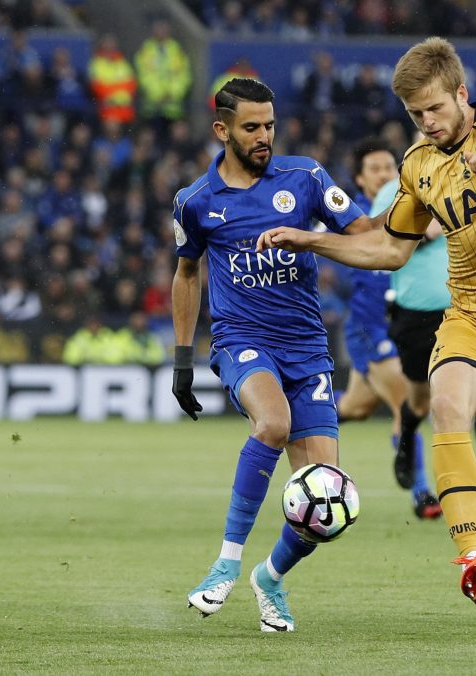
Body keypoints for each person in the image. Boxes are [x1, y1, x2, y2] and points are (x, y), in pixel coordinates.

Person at [258, 37, 476, 610]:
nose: (427, 122)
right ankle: (473, 557)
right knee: (445, 404)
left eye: (435, 109)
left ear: (461, 94)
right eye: (415, 114)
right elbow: (390, 249)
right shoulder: (418, 165)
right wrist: (310, 241)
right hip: (475, 319)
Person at [171, 78, 368, 632]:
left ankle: (270, 579)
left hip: (307, 347)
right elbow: (187, 274)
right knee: (274, 424)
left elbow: (365, 235)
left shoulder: (306, 178)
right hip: (243, 339)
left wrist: (318, 237)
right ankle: (226, 564)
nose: (264, 136)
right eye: (252, 127)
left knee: (324, 503)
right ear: (222, 130)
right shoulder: (196, 201)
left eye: (270, 126)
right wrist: (183, 360)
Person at [378, 174, 476, 516]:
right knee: (420, 401)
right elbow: (383, 241)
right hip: (416, 313)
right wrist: (431, 226)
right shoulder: (394, 191)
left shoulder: (473, 183)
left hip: (469, 309)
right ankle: (407, 440)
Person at [333, 138, 442, 519]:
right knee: (406, 401)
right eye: (374, 169)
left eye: (388, 168)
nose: (383, 174)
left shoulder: (412, 206)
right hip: (371, 328)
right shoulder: (350, 216)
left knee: (355, 407)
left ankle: (299, 415)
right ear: (359, 180)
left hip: (404, 322)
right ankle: (422, 493)